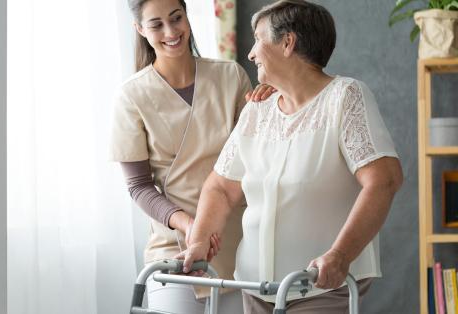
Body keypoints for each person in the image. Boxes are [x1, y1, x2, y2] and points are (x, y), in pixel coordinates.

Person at [180, 1, 404, 313]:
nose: (251, 53)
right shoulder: (258, 110)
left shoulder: (344, 97)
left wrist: (340, 255)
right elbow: (220, 186)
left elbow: (385, 180)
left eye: (259, 39)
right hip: (255, 286)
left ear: (288, 43)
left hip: (321, 286)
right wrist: (199, 241)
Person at [108, 0, 274, 313]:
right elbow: (139, 187)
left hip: (235, 242)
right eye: (156, 24)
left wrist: (268, 104)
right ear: (140, 29)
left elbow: (257, 156)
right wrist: (190, 224)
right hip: (173, 247)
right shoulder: (131, 96)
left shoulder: (231, 76)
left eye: (176, 18)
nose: (171, 31)